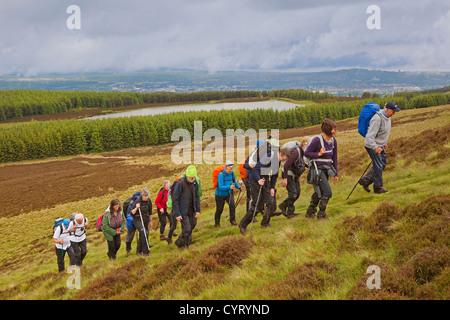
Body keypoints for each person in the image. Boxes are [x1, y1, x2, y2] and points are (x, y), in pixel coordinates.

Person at [239, 141, 291, 234]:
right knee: (257, 206)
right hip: (255, 179)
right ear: (279, 154)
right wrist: (259, 179)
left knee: (270, 202)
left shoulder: (278, 161)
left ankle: (265, 223)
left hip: (265, 178)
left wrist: (272, 187)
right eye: (283, 159)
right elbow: (255, 169)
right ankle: (242, 224)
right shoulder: (268, 156)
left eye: (284, 160)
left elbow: (274, 174)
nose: (283, 161)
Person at [359, 101, 400, 194]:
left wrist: (384, 143)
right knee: (378, 166)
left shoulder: (388, 117)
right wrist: (375, 147)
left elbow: (384, 132)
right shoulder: (377, 119)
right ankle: (378, 188)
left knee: (382, 164)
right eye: (393, 111)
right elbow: (369, 136)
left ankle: (365, 181)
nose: (394, 113)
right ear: (387, 109)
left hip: (380, 145)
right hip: (371, 145)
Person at [304, 119, 338, 220]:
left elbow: (334, 158)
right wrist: (318, 154)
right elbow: (306, 153)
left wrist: (336, 174)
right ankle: (321, 214)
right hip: (317, 170)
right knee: (327, 192)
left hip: (327, 169)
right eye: (333, 129)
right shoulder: (317, 140)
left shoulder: (333, 141)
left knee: (319, 192)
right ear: (328, 130)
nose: (335, 131)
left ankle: (310, 211)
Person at [172, 165, 201, 249]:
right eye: (191, 178)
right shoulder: (180, 183)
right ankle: (182, 244)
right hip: (182, 211)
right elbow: (175, 199)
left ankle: (182, 242)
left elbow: (197, 197)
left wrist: (198, 210)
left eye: (194, 177)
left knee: (192, 225)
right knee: (187, 229)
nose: (193, 179)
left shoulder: (195, 183)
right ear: (187, 176)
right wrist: (177, 214)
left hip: (192, 210)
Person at [279, 141, 306, 219]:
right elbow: (287, 165)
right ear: (304, 144)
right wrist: (285, 179)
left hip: (295, 174)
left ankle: (284, 206)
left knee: (297, 193)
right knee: (293, 194)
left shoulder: (302, 152)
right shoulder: (296, 153)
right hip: (289, 174)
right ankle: (288, 211)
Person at [214, 161, 243, 227]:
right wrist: (229, 187)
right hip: (220, 195)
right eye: (230, 169)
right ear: (226, 168)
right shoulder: (221, 175)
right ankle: (217, 224)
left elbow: (234, 181)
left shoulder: (232, 173)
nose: (231, 170)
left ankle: (233, 221)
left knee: (232, 206)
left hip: (229, 193)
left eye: (232, 169)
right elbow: (220, 187)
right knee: (219, 209)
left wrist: (238, 187)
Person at [130, 187, 153, 256]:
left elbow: (150, 211)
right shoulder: (137, 201)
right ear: (142, 196)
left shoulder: (149, 201)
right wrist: (136, 207)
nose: (146, 197)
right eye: (145, 196)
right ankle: (145, 252)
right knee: (143, 232)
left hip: (145, 219)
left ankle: (138, 251)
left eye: (147, 196)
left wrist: (150, 221)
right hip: (137, 220)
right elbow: (132, 213)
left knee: (145, 234)